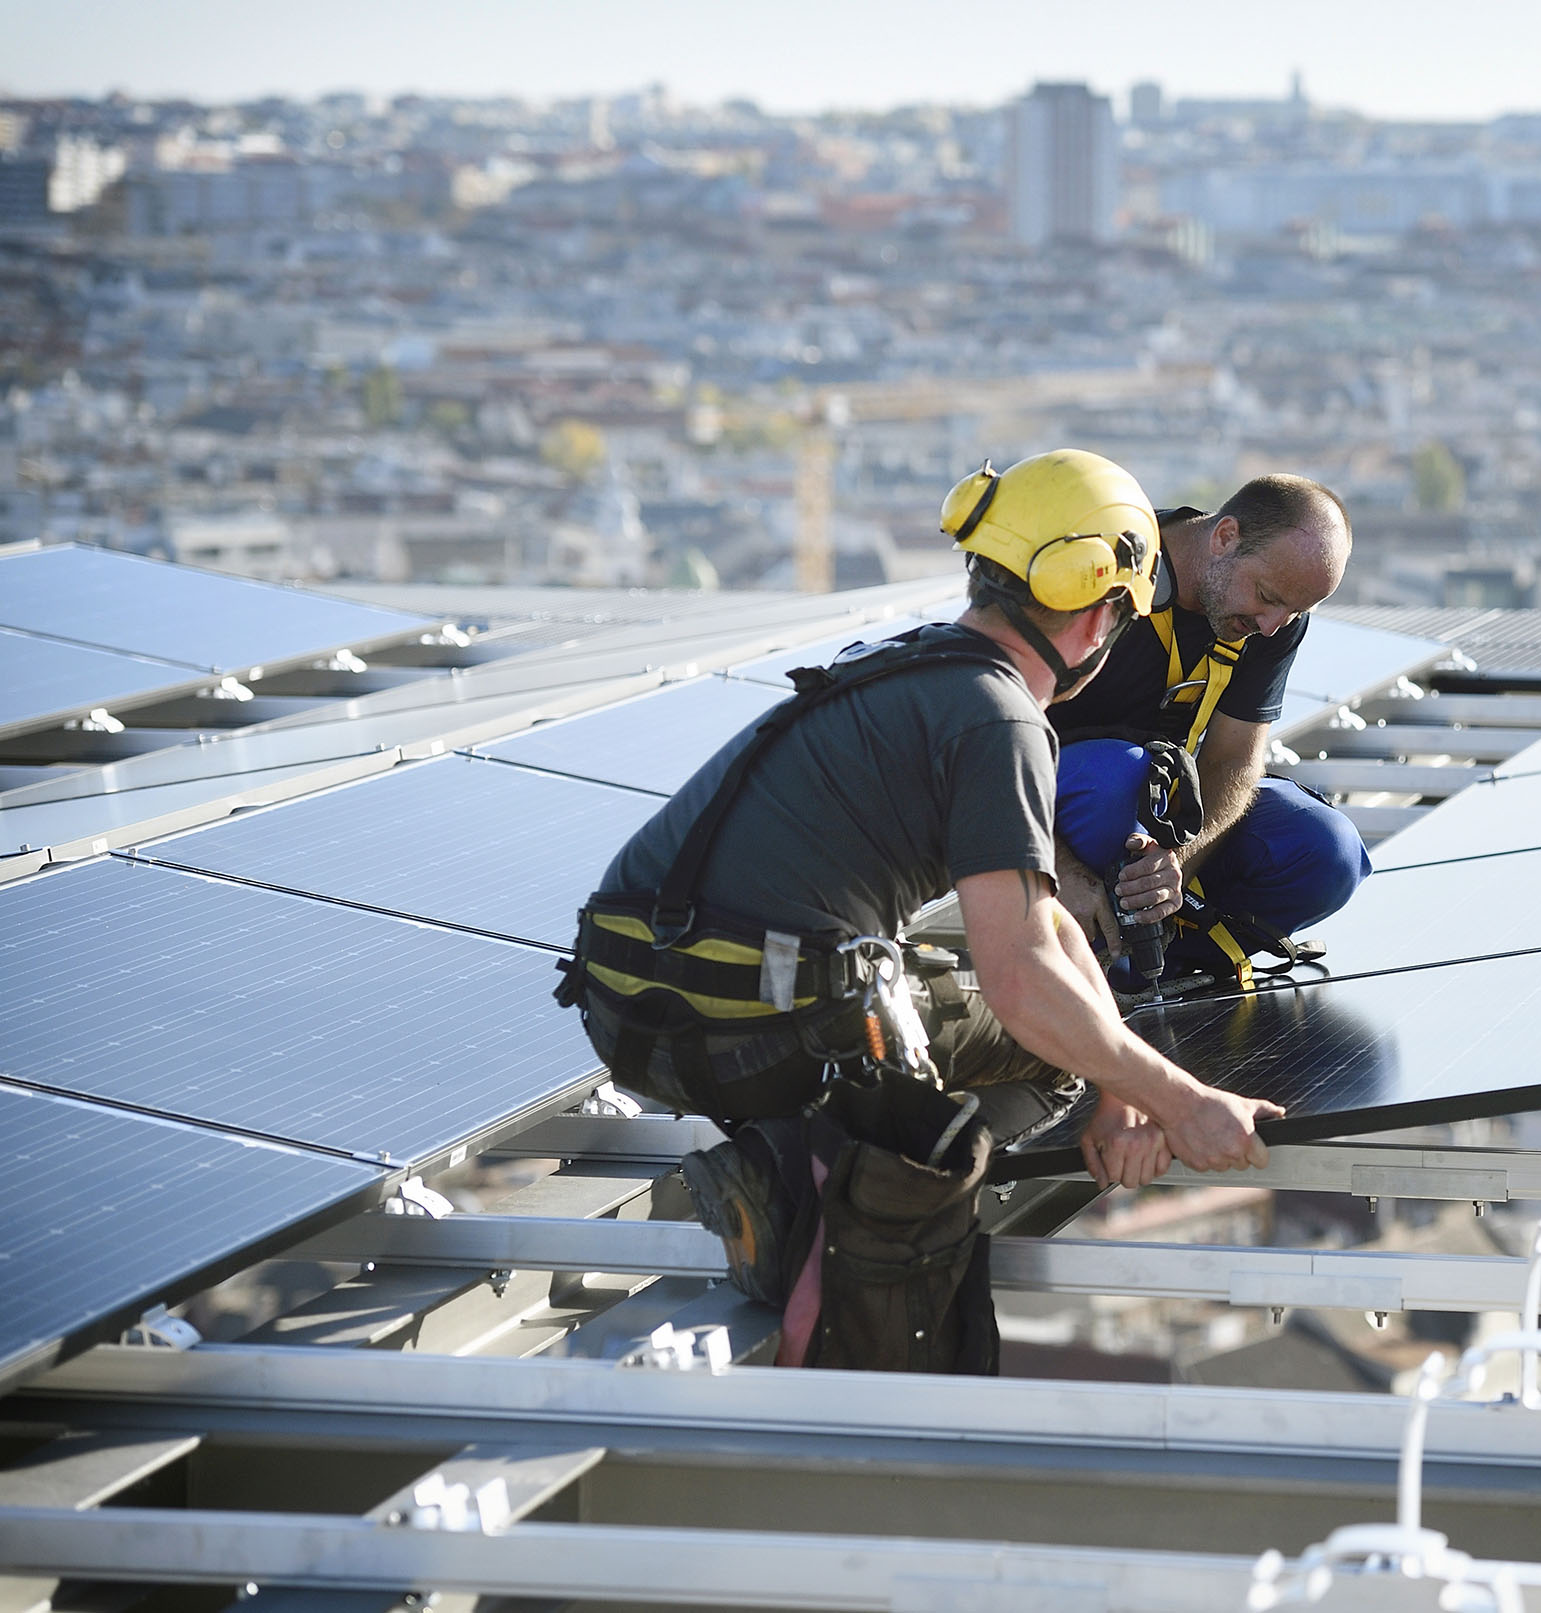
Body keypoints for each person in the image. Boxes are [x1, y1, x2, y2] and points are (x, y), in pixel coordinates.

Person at [558, 448, 1281, 1369]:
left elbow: (1050, 924)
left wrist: (1125, 1088)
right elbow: (1022, 984)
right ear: (1103, 612)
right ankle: (809, 1186)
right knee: (1041, 1048)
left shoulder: (914, 666)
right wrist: (1180, 1100)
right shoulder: (1003, 718)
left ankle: (812, 1149)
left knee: (1062, 1035)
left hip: (628, 1006)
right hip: (744, 1024)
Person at [1045, 475, 1365, 989]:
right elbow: (981, 742)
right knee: (1120, 779)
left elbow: (1235, 758)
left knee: (1327, 850)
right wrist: (1050, 871)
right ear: (1225, 536)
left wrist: (1176, 865)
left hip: (1162, 808)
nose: (1271, 627)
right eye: (1267, 597)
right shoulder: (1101, 578)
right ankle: (1078, 940)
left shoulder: (1270, 620)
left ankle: (1156, 955)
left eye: (1294, 612)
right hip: (1054, 805)